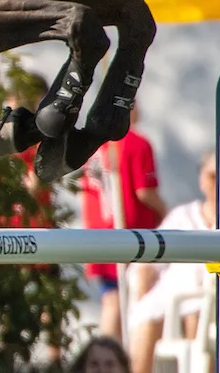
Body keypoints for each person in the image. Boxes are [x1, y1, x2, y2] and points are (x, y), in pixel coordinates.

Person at [80, 102, 165, 341]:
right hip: (130, 235)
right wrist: (166, 213)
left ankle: (110, 358)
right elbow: (144, 192)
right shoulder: (137, 143)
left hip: (97, 233)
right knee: (133, 302)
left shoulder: (93, 147)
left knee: (111, 300)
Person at [126, 154, 215, 373]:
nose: (218, 183)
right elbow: (150, 262)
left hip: (209, 304)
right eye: (212, 176)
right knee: (146, 314)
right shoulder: (182, 216)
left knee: (198, 319)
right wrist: (142, 281)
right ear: (202, 180)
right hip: (171, 300)